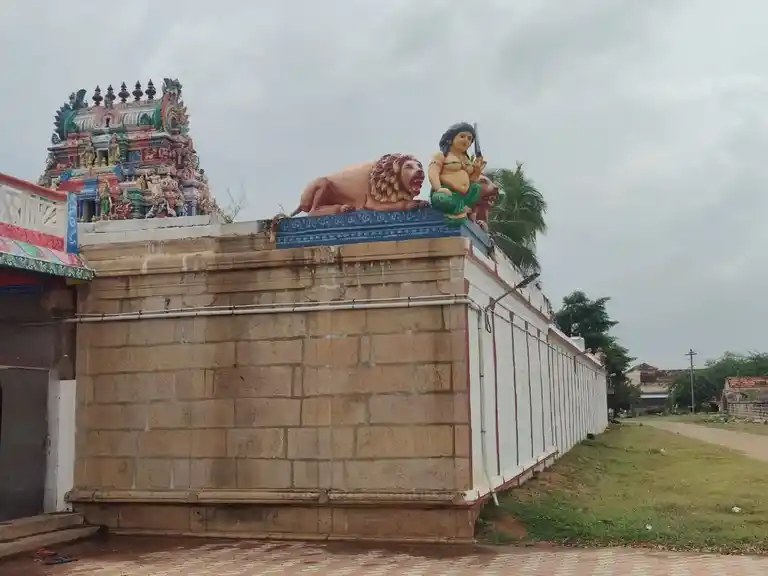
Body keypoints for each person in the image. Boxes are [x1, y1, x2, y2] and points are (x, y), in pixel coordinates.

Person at [428, 122, 487, 220]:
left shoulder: (467, 160)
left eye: (469, 138)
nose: (466, 140)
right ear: (451, 139)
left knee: (477, 187)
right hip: (446, 193)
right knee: (440, 198)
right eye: (462, 136)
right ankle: (459, 210)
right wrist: (438, 188)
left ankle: (461, 208)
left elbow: (471, 181)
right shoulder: (442, 155)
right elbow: (433, 172)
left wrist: (477, 171)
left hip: (463, 197)